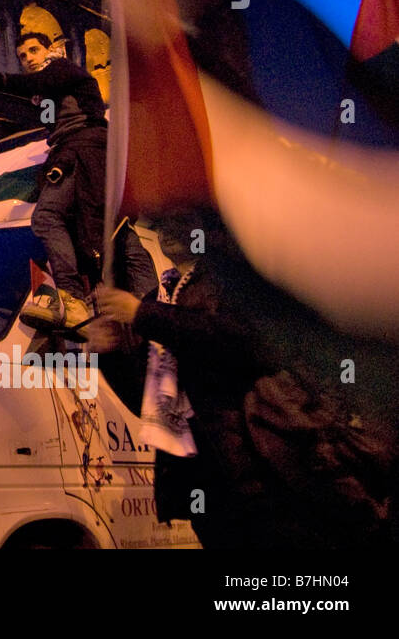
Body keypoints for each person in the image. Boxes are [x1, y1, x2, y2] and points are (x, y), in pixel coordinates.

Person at [89, 212, 399, 548]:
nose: (168, 229)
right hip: (205, 478)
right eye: (162, 221)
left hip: (263, 467)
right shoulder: (156, 299)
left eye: (183, 219)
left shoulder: (238, 284)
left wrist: (141, 315)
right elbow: (149, 399)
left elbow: (240, 341)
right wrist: (111, 353)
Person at [0, 33, 147, 327]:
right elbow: (34, 92)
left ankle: (72, 299)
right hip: (78, 152)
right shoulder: (48, 91)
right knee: (107, 228)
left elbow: (36, 83)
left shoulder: (64, 70)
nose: (28, 58)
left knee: (48, 217)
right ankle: (142, 306)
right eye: (22, 55)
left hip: (83, 150)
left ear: (51, 50)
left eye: (34, 50)